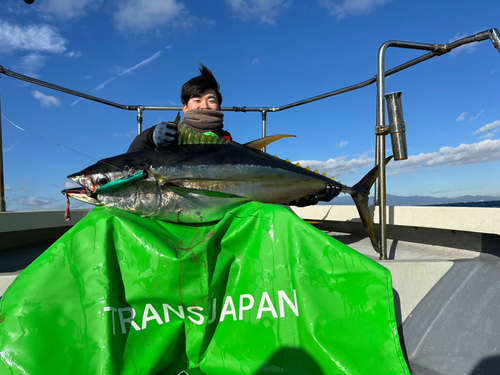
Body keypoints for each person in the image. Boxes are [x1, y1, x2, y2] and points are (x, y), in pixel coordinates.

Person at [127, 64, 232, 153]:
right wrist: (150, 137)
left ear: (219, 108)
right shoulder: (168, 136)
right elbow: (131, 161)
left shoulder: (231, 145)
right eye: (197, 100)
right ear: (185, 108)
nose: (204, 106)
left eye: (211, 101)